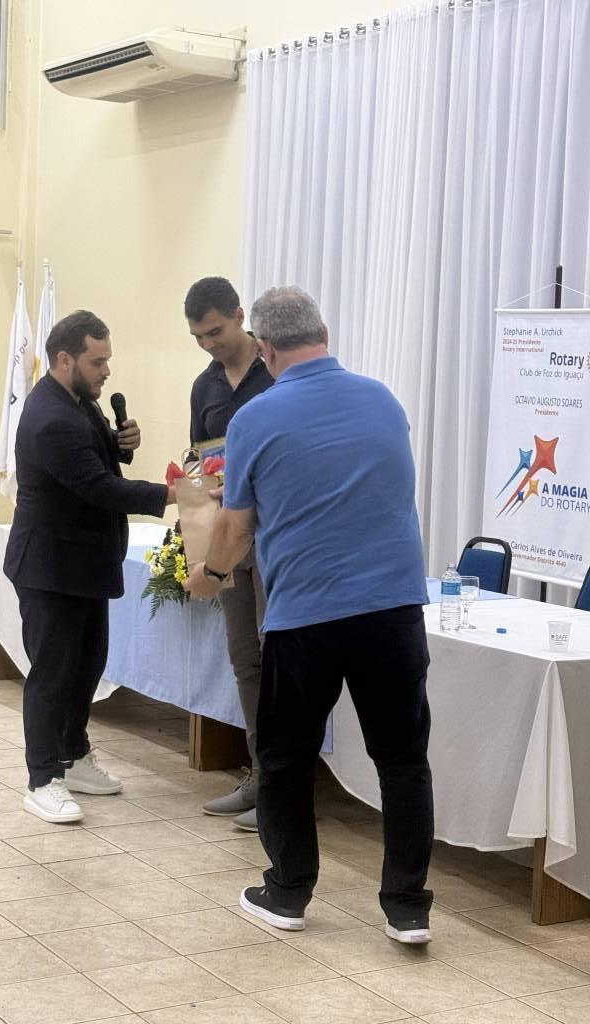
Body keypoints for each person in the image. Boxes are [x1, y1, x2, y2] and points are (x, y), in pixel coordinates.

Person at [186, 286, 434, 943]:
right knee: (403, 760)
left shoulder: (256, 419)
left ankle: (288, 893)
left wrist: (209, 576)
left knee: (286, 758)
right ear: (323, 333)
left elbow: (234, 528)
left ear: (265, 348)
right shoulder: (384, 400)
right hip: (394, 608)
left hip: (307, 614)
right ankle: (408, 908)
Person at [4, 310, 174, 824]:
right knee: (53, 674)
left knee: (87, 666)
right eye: (97, 362)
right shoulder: (51, 416)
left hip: (83, 563)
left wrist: (120, 443)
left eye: (107, 360)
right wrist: (171, 495)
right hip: (50, 566)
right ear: (65, 359)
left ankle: (73, 757)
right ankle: (42, 779)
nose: (106, 371)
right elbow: (98, 487)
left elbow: (96, 460)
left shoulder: (79, 401)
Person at [185, 277, 274, 832]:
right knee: (245, 658)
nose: (209, 344)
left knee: (279, 657)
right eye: (198, 337)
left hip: (277, 537)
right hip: (228, 536)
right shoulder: (205, 386)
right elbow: (199, 458)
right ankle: (260, 775)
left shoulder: (277, 370)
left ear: (240, 316)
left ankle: (281, 787)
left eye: (215, 332)